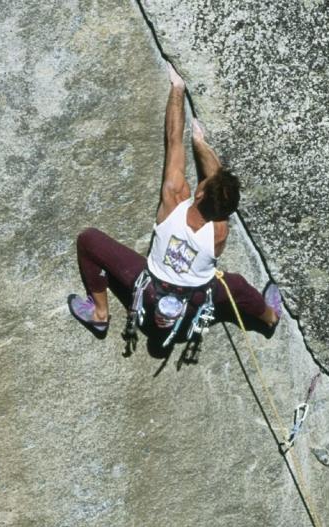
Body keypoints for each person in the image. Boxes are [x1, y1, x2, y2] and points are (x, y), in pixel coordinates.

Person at [68, 63, 282, 342]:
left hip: (149, 291)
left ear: (201, 193)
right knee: (237, 286)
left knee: (89, 240)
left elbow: (173, 140)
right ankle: (269, 317)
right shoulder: (219, 232)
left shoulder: (174, 200)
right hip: (193, 300)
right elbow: (216, 178)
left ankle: (99, 313)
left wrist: (177, 89)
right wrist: (202, 144)